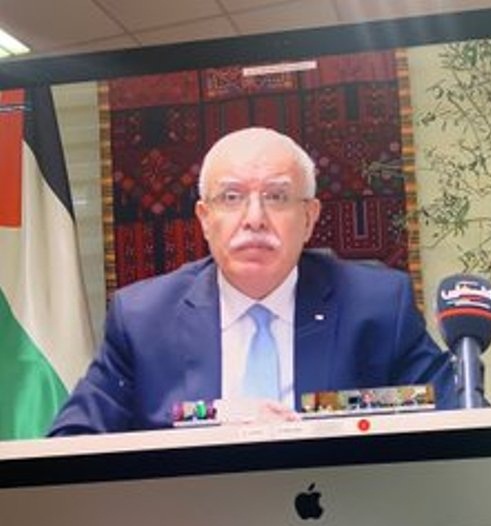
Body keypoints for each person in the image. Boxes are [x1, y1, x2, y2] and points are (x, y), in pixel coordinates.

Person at [49, 127, 458, 435]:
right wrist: (212, 415)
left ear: (309, 217)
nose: (254, 219)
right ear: (205, 219)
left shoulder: (377, 306)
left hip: (341, 516)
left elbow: (455, 419)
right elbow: (72, 443)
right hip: (196, 521)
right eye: (231, 197)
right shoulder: (143, 319)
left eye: (277, 197)